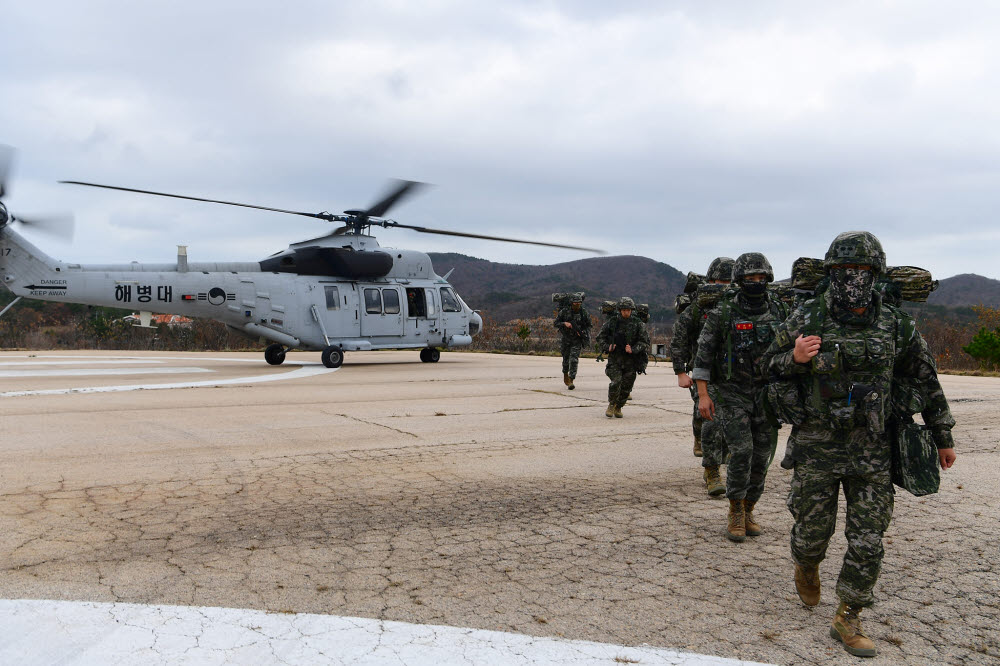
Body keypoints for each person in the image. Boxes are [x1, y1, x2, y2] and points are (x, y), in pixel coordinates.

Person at [761, 231, 956, 658]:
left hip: (873, 448)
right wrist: (793, 358)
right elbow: (765, 367)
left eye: (863, 270)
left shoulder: (896, 323)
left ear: (876, 274)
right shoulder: (806, 318)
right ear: (831, 273)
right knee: (812, 532)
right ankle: (806, 564)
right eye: (845, 270)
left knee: (868, 538)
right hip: (817, 447)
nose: (854, 278)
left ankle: (849, 614)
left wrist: (942, 436)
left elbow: (925, 379)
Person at [691, 252, 787, 541]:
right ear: (739, 281)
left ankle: (749, 508)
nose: (756, 283)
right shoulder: (723, 313)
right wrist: (704, 396)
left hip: (766, 395)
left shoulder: (779, 310)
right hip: (731, 394)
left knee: (762, 457)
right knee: (742, 451)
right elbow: (703, 357)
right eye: (750, 278)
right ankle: (734, 509)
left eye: (761, 278)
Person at [670, 257, 733, 495]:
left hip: (735, 375)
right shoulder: (698, 308)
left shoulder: (741, 304)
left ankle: (726, 461)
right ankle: (712, 471)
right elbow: (679, 341)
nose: (725, 286)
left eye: (730, 281)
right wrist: (680, 372)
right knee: (710, 419)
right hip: (703, 374)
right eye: (721, 281)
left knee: (730, 424)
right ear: (711, 280)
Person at [597, 296, 650, 418]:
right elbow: (600, 337)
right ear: (620, 310)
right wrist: (607, 347)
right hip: (615, 359)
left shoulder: (638, 324)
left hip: (631, 360)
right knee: (616, 382)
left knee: (627, 387)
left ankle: (619, 406)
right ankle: (611, 404)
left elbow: (645, 342)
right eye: (624, 309)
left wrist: (633, 349)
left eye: (629, 310)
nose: (626, 312)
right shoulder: (612, 322)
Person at [553, 293, 591, 390]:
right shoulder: (564, 312)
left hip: (576, 340)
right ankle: (565, 373)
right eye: (575, 303)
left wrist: (582, 332)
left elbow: (589, 325)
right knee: (566, 360)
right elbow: (555, 323)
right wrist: (564, 323)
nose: (577, 305)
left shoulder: (584, 312)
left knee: (574, 360)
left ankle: (571, 379)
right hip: (566, 339)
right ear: (571, 303)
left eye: (579, 303)